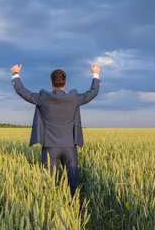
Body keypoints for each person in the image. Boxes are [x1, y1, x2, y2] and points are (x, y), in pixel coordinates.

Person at [11, 64, 101, 197]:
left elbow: (22, 91)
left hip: (50, 147)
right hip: (70, 147)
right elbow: (93, 92)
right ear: (65, 83)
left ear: (51, 83)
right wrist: (95, 74)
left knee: (49, 183)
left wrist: (15, 74)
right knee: (74, 183)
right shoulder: (74, 98)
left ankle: (50, 209)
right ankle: (76, 211)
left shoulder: (43, 98)